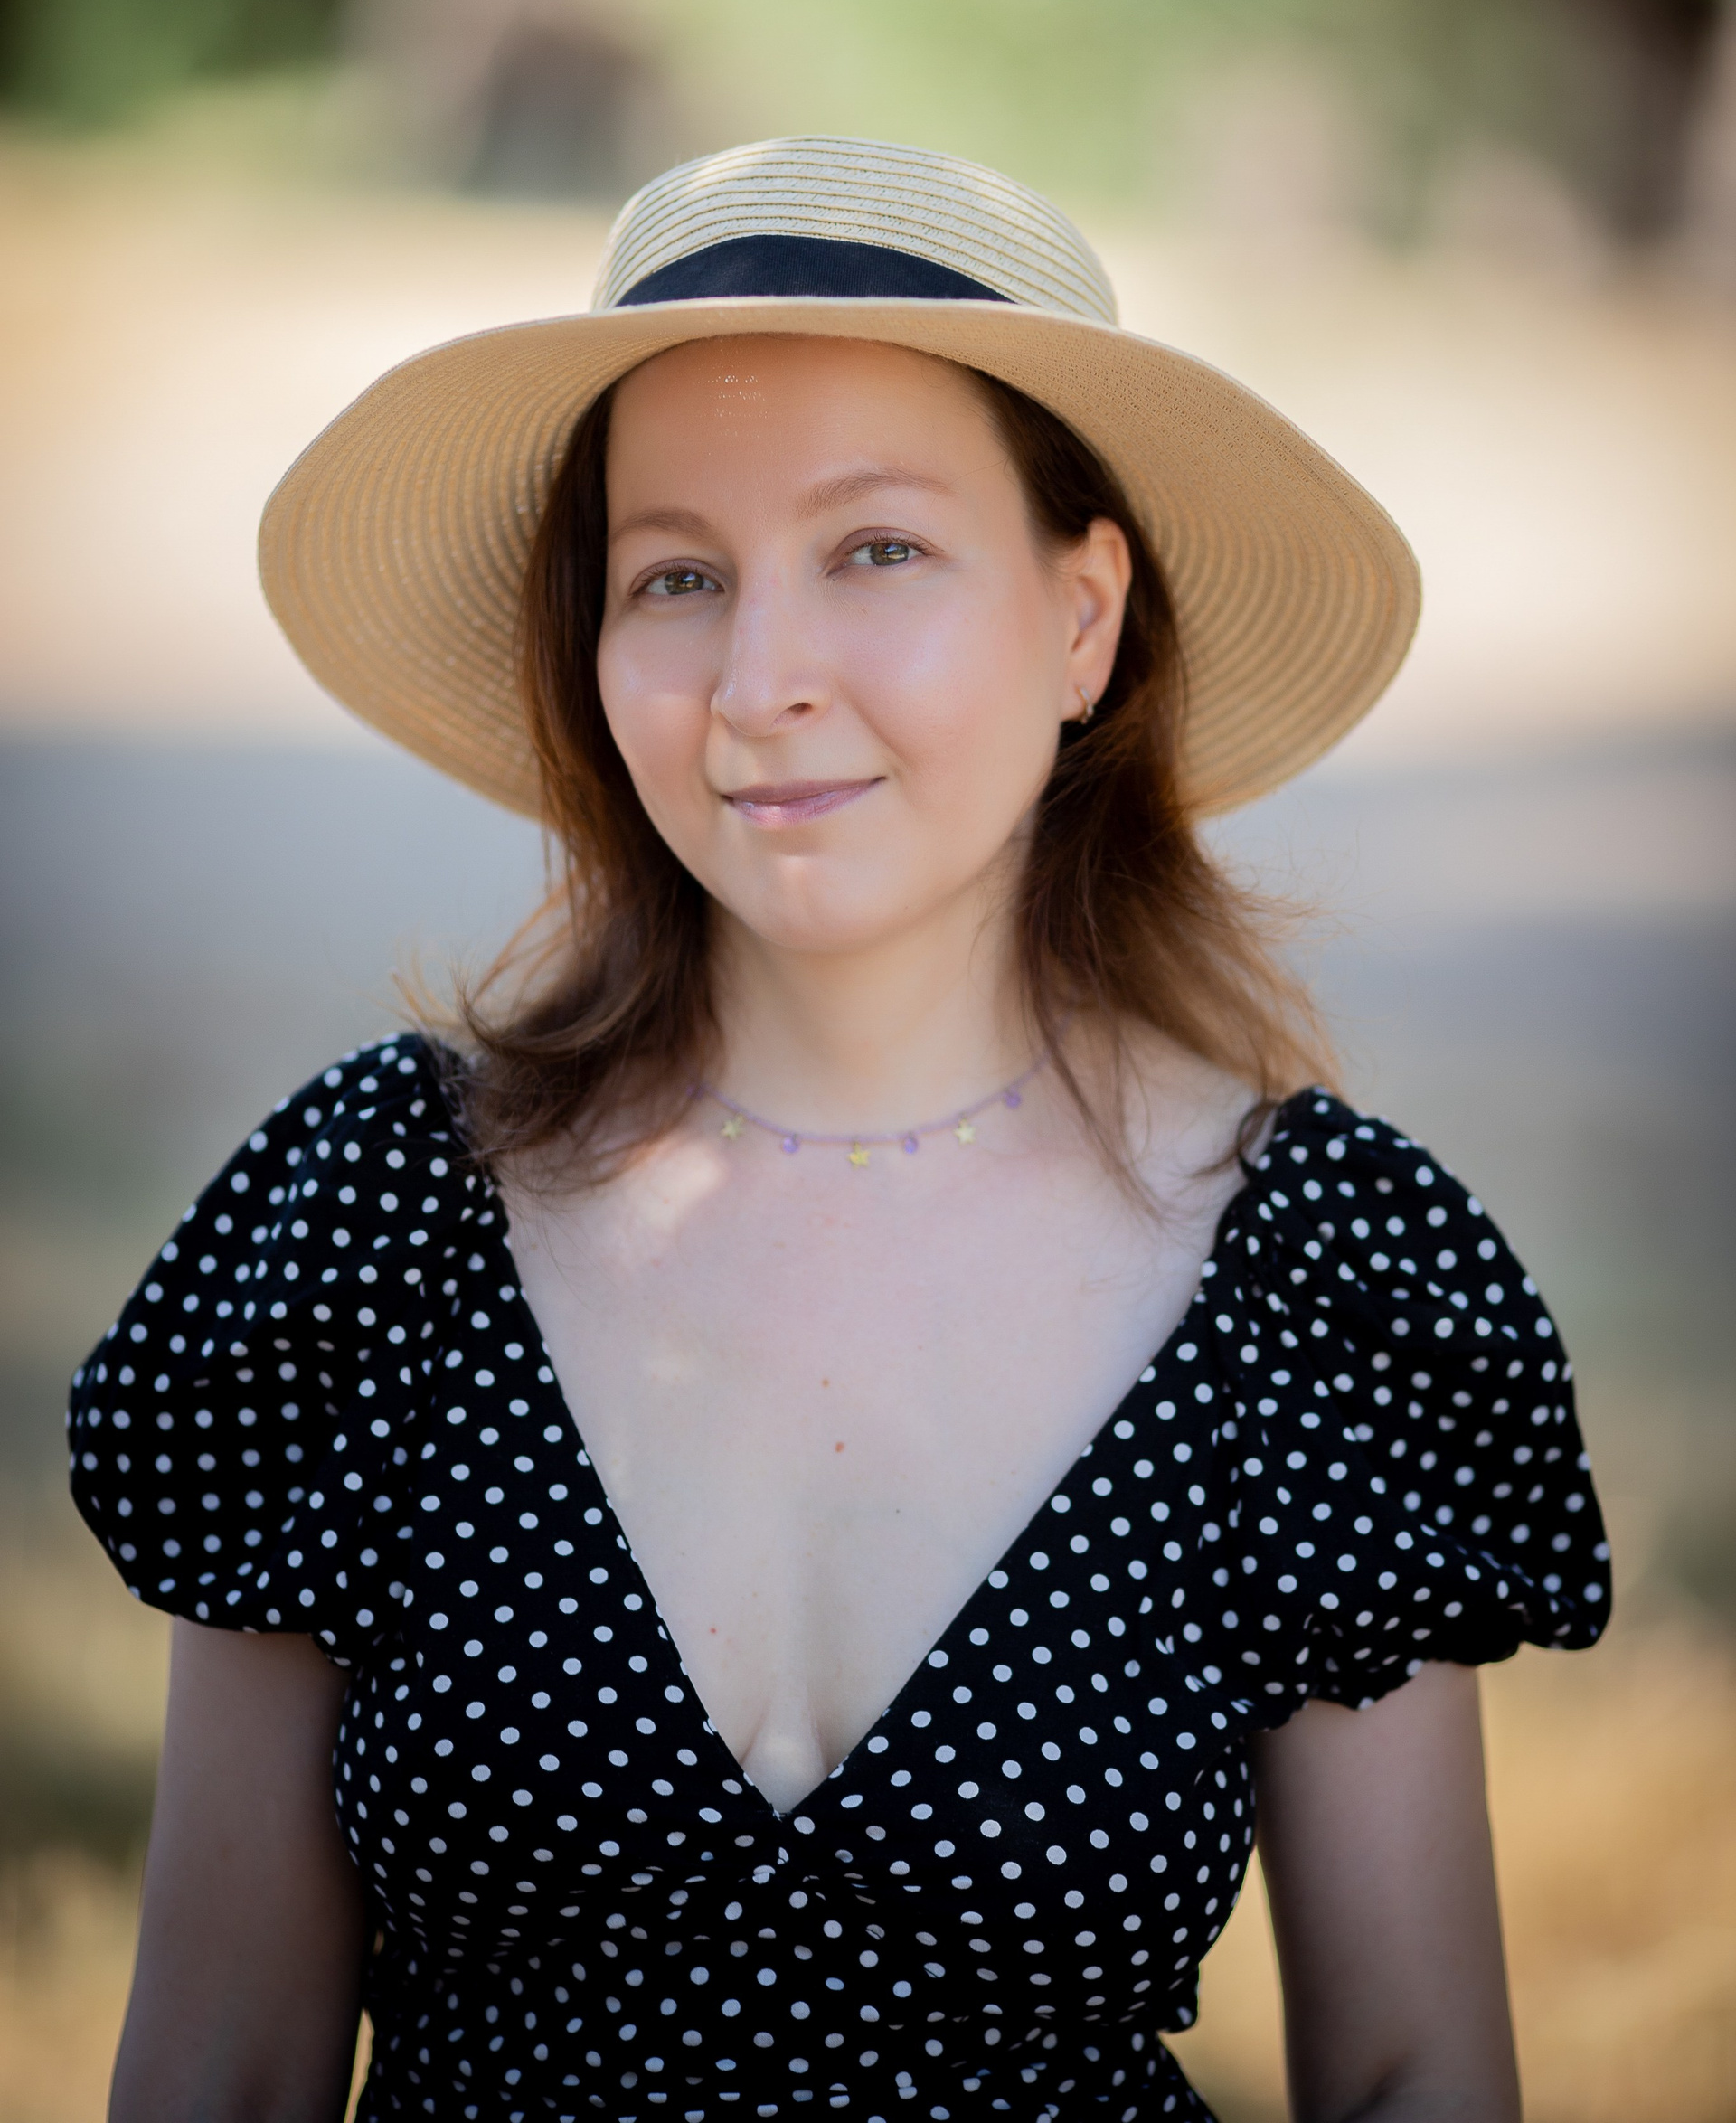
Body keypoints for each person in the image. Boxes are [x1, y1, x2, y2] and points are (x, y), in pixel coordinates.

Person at [70, 137, 1609, 2123]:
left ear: (1084, 619)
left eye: (876, 549)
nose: (761, 682)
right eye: (677, 576)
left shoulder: (1327, 1285)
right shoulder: (376, 1221)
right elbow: (219, 2067)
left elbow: (1411, 2076)